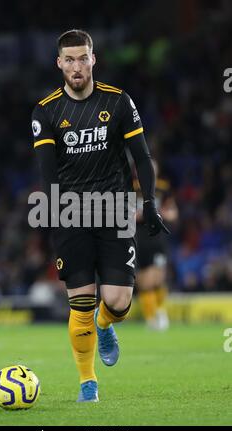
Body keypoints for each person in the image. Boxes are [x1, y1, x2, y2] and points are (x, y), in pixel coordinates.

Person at [31, 29, 169, 402]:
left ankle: (105, 325)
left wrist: (150, 202)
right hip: (71, 212)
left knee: (120, 301)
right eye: (69, 59)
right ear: (59, 63)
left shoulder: (119, 102)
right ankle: (87, 383)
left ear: (94, 59)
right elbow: (48, 174)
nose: (77, 66)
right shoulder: (45, 111)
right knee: (80, 302)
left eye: (83, 58)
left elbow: (141, 156)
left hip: (115, 209)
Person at [134, 160, 178, 330]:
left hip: (158, 238)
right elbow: (125, 214)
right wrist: (141, 215)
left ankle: (160, 312)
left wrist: (161, 214)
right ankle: (151, 318)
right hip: (139, 238)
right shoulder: (132, 187)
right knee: (144, 281)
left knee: (157, 278)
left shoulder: (163, 188)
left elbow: (173, 213)